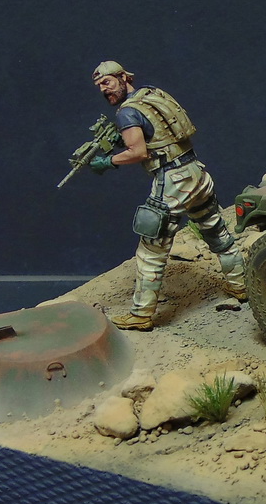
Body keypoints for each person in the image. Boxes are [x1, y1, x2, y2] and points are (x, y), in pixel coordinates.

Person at [89, 60, 246, 330]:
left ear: (124, 77)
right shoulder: (150, 95)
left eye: (107, 82)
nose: (104, 89)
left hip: (172, 181)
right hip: (195, 172)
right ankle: (240, 285)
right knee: (215, 230)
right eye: (100, 86)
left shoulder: (127, 112)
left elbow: (138, 152)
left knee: (151, 249)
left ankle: (141, 314)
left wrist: (109, 161)